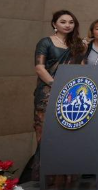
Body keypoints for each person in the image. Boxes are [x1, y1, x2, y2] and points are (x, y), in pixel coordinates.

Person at [28, 9, 87, 181]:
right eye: (63, 22)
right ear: (54, 24)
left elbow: (82, 68)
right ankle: (47, 178)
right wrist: (56, 85)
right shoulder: (46, 42)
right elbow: (39, 68)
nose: (67, 25)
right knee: (47, 134)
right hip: (48, 94)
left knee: (68, 134)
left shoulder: (77, 45)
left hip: (71, 96)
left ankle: (67, 177)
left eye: (71, 22)